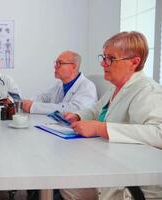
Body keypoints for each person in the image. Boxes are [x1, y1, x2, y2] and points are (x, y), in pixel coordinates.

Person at [60, 32, 162, 200]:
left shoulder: (147, 90)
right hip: (110, 167)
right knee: (64, 176)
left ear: (134, 62)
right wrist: (78, 115)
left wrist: (102, 129)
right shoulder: (115, 88)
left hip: (133, 184)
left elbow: (158, 133)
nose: (102, 63)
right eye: (103, 57)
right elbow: (96, 110)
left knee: (67, 181)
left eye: (110, 58)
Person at [22, 50, 97, 114]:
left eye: (60, 63)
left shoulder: (88, 87)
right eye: (56, 63)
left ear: (74, 66)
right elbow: (44, 97)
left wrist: (33, 107)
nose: (55, 66)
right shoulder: (59, 84)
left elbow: (73, 110)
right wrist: (27, 103)